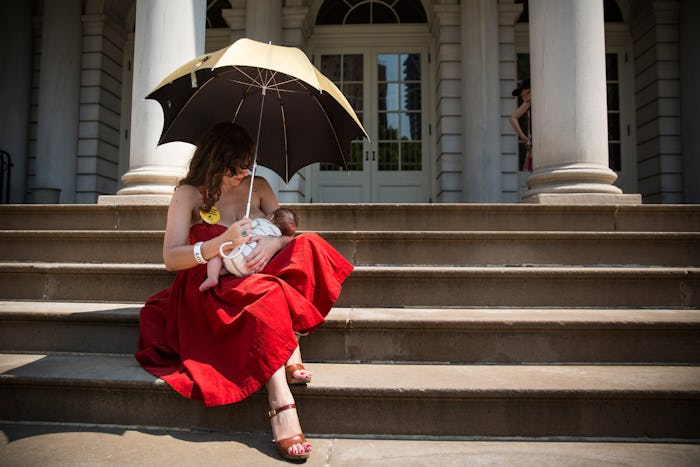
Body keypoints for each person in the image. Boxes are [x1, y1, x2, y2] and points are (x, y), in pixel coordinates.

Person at [134, 122, 353, 461]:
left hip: (258, 272)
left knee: (309, 245)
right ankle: (281, 401)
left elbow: (287, 228)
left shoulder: (260, 186)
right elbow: (170, 258)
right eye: (234, 165)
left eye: (247, 162)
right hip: (211, 284)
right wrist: (217, 243)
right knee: (264, 293)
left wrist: (274, 242)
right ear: (213, 160)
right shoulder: (188, 194)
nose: (242, 172)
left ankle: (286, 341)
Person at [199, 207, 300, 290]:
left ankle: (213, 276)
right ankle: (227, 270)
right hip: (252, 268)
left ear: (271, 217)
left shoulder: (261, 222)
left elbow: (245, 228)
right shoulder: (277, 235)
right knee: (243, 258)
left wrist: (244, 221)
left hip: (238, 254)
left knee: (217, 253)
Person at [509, 79, 532, 172]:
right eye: (523, 96)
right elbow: (513, 118)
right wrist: (523, 137)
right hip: (533, 144)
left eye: (528, 92)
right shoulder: (528, 103)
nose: (526, 97)